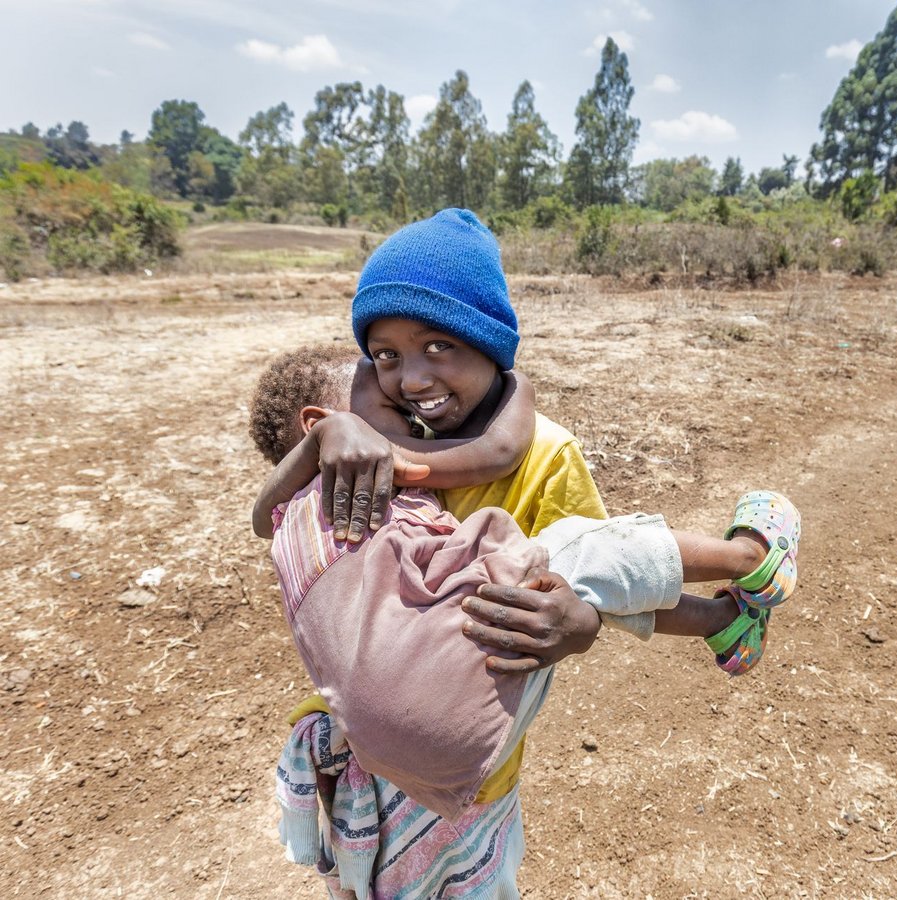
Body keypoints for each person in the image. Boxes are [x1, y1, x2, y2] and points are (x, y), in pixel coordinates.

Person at [252, 209, 800, 897]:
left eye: (439, 346)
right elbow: (272, 524)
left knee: (577, 562)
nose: (411, 380)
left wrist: (580, 630)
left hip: (457, 770)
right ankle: (743, 575)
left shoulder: (540, 455)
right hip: (370, 754)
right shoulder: (355, 457)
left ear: (488, 343)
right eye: (385, 356)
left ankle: (734, 602)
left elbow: (596, 595)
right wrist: (323, 442)